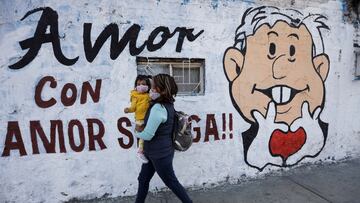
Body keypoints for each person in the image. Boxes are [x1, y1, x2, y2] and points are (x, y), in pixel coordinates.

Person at [134, 74, 192, 203]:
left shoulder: (158, 108)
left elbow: (148, 134)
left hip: (159, 154)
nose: (151, 89)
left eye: (153, 86)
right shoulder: (167, 104)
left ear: (161, 89)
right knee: (143, 179)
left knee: (172, 183)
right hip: (154, 152)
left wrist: (136, 132)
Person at [124, 75, 152, 163]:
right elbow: (133, 107)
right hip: (140, 120)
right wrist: (128, 110)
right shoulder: (135, 95)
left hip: (149, 119)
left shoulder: (149, 95)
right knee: (142, 136)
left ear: (148, 85)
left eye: (143, 84)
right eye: (138, 84)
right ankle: (140, 151)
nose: (141, 86)